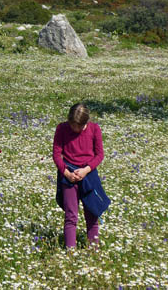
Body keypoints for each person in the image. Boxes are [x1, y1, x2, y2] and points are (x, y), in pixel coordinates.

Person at [52, 103, 107, 249]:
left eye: (79, 127)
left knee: (92, 214)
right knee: (71, 216)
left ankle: (93, 249)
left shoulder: (94, 129)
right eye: (73, 125)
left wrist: (86, 170)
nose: (75, 129)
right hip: (68, 175)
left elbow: (99, 155)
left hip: (88, 175)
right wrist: (67, 174)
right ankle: (71, 251)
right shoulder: (62, 129)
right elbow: (57, 155)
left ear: (86, 123)